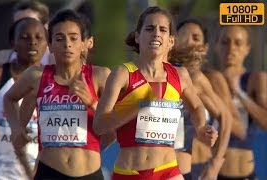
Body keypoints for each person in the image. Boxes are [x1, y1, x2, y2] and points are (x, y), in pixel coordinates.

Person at [93, 6, 218, 180]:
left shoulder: (180, 75)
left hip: (168, 169)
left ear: (171, 41)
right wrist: (135, 108)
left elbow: (197, 106)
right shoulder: (123, 74)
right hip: (130, 172)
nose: (156, 33)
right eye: (150, 29)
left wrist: (201, 127)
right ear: (137, 36)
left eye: (163, 30)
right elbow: (99, 125)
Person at [4, 9, 111, 179]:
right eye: (59, 39)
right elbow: (9, 98)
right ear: (50, 45)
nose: (67, 44)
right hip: (49, 171)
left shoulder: (100, 76)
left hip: (89, 172)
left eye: (73, 38)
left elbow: (114, 127)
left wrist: (92, 103)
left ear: (84, 43)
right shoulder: (36, 76)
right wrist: (16, 128)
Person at [0, 18, 48, 179]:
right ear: (12, 42)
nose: (32, 42)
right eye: (25, 37)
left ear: (47, 43)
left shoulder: (55, 80)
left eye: (39, 38)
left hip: (42, 172)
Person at [173, 19, 232, 180]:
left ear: (205, 48)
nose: (188, 42)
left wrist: (215, 164)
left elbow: (226, 117)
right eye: (183, 36)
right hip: (155, 166)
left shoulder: (202, 79)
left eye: (195, 38)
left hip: (191, 165)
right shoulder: (162, 73)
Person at [214, 25, 267, 179]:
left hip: (245, 171)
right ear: (216, 45)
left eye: (238, 43)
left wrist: (238, 92)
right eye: (225, 42)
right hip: (213, 171)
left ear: (247, 48)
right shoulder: (208, 80)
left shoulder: (255, 80)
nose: (231, 48)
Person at [0, 0, 54, 66]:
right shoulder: (2, 59)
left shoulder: (57, 60)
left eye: (30, 22)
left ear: (45, 27)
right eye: (18, 24)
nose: (24, 29)